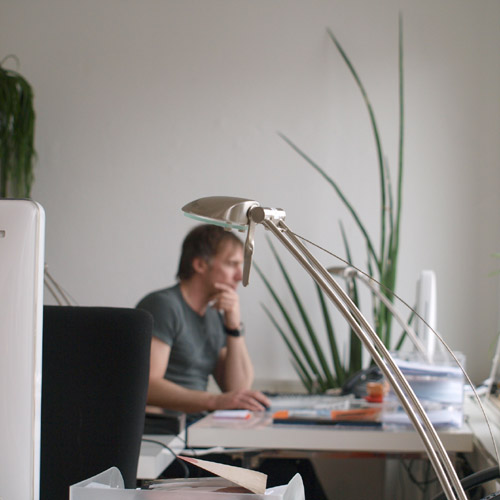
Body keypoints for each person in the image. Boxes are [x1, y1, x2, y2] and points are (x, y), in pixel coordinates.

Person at [137, 224, 270, 417]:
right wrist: (213, 401)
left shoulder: (214, 315)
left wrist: (233, 327)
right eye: (231, 264)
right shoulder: (163, 306)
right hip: (165, 429)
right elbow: (146, 384)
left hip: (196, 424)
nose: (240, 276)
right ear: (200, 265)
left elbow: (237, 388)